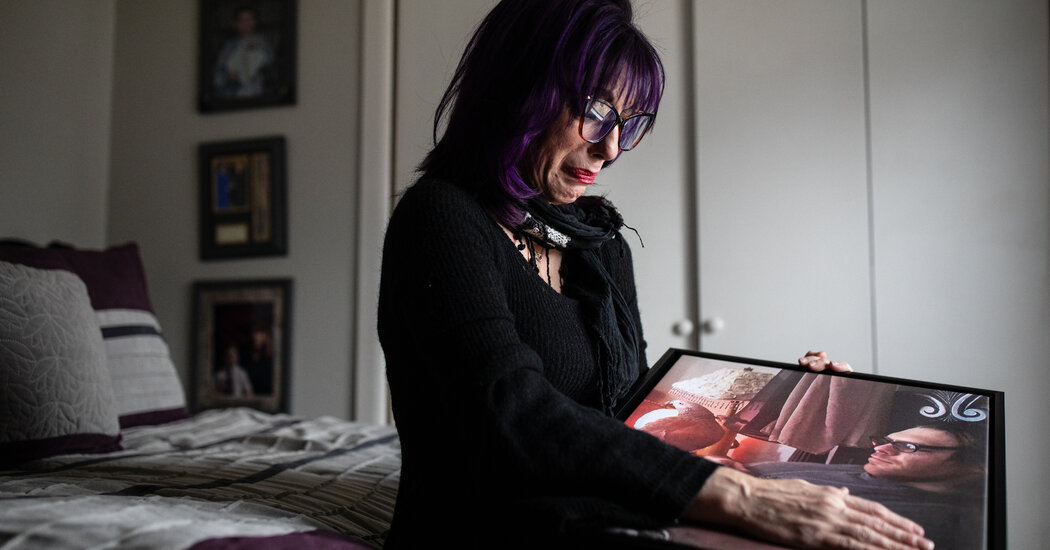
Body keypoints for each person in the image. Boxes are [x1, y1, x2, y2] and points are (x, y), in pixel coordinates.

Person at [377, 1, 931, 549]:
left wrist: (788, 388)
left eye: (630, 124)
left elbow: (628, 413)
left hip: (598, 508)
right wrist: (739, 495)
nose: (611, 147)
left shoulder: (598, 243)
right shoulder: (441, 217)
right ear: (519, 90)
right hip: (484, 525)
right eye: (596, 110)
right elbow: (509, 410)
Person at [746, 424, 988, 550]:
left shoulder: (943, 523)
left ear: (976, 466)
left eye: (907, 447)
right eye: (885, 441)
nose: (879, 449)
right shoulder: (867, 472)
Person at [213, 6, 274, 99]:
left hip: (254, 91)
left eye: (248, 20)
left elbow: (270, 61)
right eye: (241, 20)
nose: (245, 24)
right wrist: (228, 76)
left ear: (254, 22)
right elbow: (220, 67)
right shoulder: (229, 45)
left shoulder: (261, 41)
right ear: (235, 23)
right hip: (231, 93)